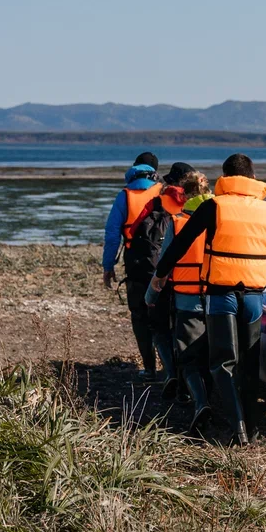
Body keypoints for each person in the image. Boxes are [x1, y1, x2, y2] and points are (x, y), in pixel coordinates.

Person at [151, 153, 266, 446]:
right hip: (253, 296)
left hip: (219, 295)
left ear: (225, 177)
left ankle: (237, 427)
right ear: (252, 177)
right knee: (249, 364)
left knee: (222, 363)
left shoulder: (215, 206)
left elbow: (182, 243)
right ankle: (252, 430)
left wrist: (160, 275)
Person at [146, 170, 212, 427]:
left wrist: (151, 295)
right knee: (215, 355)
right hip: (220, 298)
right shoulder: (223, 218)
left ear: (184, 194)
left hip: (187, 299)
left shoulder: (178, 222)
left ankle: (200, 402)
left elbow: (164, 264)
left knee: (188, 356)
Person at [130, 161, 196, 391]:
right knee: (183, 328)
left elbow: (134, 232)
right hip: (189, 277)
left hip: (157, 273)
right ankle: (187, 377)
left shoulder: (158, 202)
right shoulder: (199, 205)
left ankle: (169, 372)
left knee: (158, 327)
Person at [102, 152, 162, 379]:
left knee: (140, 316)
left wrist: (108, 266)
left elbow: (111, 235)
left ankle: (149, 368)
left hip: (136, 264)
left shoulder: (124, 196)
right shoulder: (164, 193)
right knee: (164, 317)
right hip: (164, 264)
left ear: (135, 168)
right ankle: (172, 368)